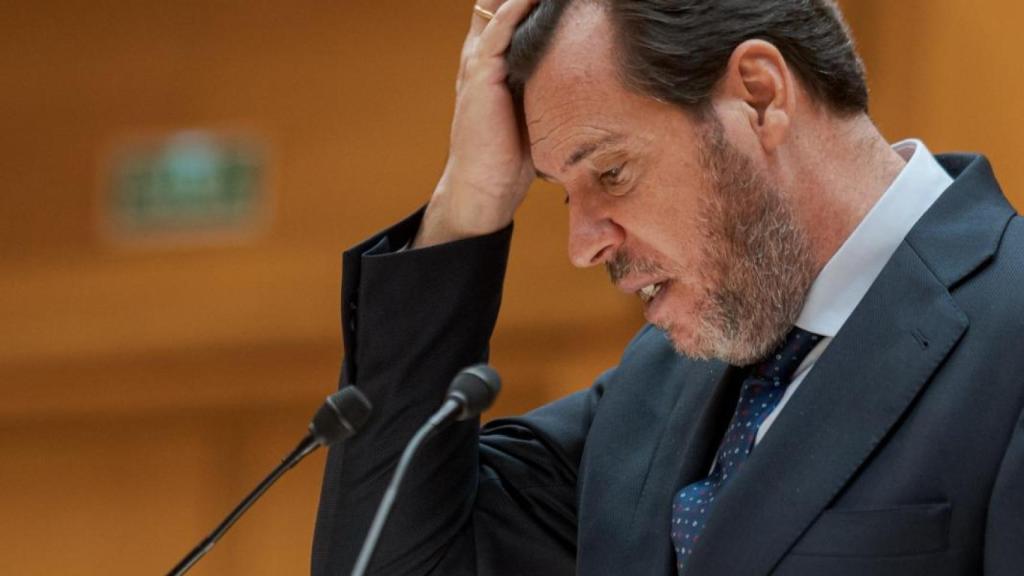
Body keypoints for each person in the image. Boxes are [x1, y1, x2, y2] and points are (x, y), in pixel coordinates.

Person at [312, 0, 1024, 574]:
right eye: (564, 193)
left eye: (612, 172)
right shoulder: (652, 387)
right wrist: (467, 204)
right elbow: (390, 558)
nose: (583, 247)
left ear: (759, 96)